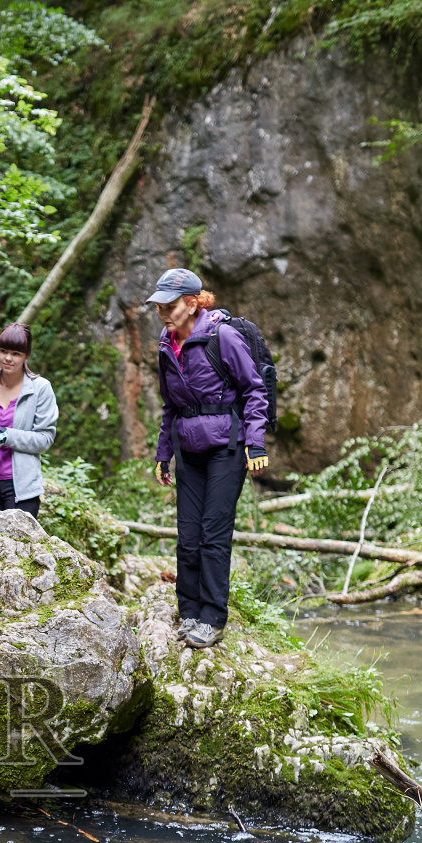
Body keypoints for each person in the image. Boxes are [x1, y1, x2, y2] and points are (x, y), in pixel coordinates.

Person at [149, 267, 269, 651]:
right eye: (159, 306)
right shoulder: (166, 345)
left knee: (213, 537)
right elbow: (170, 405)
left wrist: (256, 443)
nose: (163, 312)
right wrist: (163, 453)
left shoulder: (223, 336)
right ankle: (189, 613)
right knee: (187, 537)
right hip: (188, 450)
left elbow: (254, 391)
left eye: (170, 305)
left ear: (191, 302)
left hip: (227, 449)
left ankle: (213, 619)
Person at [0, 323, 58, 516]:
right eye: (3, 351)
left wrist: (6, 436)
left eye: (16, 353)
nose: (8, 358)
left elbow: (44, 439)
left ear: (26, 356)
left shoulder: (40, 389)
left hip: (22, 490)